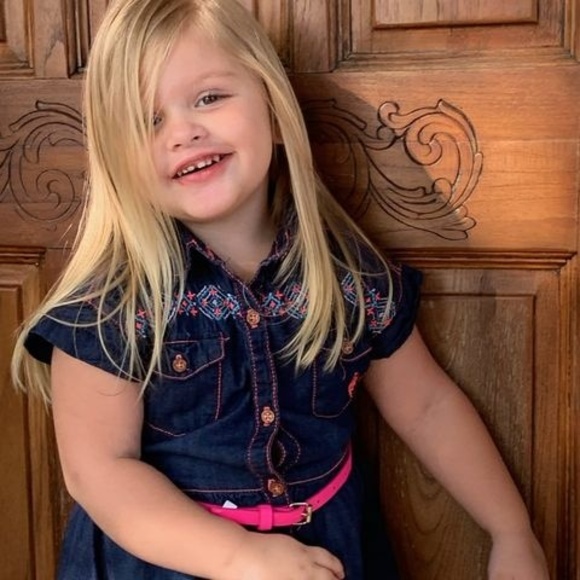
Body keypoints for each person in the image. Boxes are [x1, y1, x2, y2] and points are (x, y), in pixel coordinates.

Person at [11, 0, 550, 578]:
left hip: (327, 550)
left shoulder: (347, 277)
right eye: (147, 120)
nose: (183, 132)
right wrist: (239, 556)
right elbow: (100, 471)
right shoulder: (110, 305)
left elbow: (427, 406)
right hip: (166, 561)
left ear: (271, 102)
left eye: (209, 98)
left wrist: (510, 530)